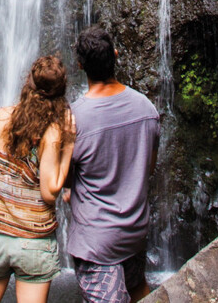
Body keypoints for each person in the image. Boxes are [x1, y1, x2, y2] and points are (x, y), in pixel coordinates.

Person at [0, 55, 75, 303]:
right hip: (33, 243)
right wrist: (68, 145)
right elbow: (50, 192)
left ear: (28, 82)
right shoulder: (50, 132)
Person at [66, 26, 160, 303]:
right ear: (116, 56)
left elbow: (64, 178)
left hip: (96, 239)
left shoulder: (74, 119)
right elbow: (148, 168)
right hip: (134, 230)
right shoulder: (147, 109)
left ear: (80, 65)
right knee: (138, 290)